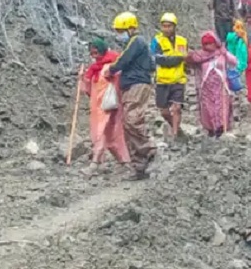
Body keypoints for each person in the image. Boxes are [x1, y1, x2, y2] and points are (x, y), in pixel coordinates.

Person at [107, 12, 157, 180]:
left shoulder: (136, 41)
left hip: (137, 84)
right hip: (132, 84)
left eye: (120, 30)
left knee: (132, 119)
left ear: (130, 28)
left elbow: (123, 60)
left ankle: (149, 149)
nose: (118, 34)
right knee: (128, 126)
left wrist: (111, 69)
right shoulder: (136, 44)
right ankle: (139, 166)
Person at [79, 38, 130, 176]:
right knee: (107, 135)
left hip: (110, 107)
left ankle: (94, 164)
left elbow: (118, 85)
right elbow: (90, 91)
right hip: (98, 108)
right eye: (92, 53)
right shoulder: (94, 69)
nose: (94, 56)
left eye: (96, 52)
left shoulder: (111, 66)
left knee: (104, 133)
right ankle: (124, 163)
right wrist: (83, 79)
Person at [185, 31, 237, 138]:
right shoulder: (200, 55)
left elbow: (234, 62)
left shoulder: (221, 53)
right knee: (209, 107)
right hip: (207, 86)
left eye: (210, 43)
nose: (208, 46)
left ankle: (221, 127)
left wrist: (225, 53)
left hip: (221, 85)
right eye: (206, 44)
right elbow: (189, 60)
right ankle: (211, 128)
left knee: (221, 106)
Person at [150, 12, 187, 140]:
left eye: (169, 26)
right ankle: (176, 127)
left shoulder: (182, 41)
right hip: (162, 80)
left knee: (177, 108)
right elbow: (157, 59)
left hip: (178, 79)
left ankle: (175, 134)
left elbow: (185, 58)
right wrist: (175, 59)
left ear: (174, 26)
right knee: (164, 111)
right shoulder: (157, 41)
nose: (166, 29)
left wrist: (177, 60)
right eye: (164, 26)